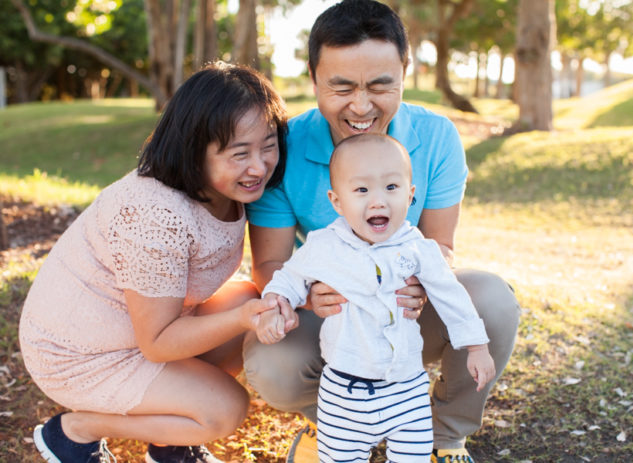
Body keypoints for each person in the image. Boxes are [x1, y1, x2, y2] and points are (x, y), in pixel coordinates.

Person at [243, 1, 520, 462]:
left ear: (405, 73)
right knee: (270, 361)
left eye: (379, 85)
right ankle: (334, 425)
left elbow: (441, 246)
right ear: (313, 79)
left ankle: (444, 436)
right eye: (342, 87)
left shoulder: (437, 137)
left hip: (406, 310)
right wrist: (313, 296)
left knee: (490, 299)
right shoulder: (284, 147)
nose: (361, 105)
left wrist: (419, 287)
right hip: (334, 316)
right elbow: (270, 265)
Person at [18, 61, 297, 463]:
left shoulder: (231, 191)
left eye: (268, 146)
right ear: (195, 149)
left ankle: (168, 445)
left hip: (134, 335)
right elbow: (159, 342)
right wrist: (243, 319)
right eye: (240, 153)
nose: (259, 166)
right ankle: (77, 430)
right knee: (225, 409)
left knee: (245, 298)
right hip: (80, 355)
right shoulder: (155, 214)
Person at [257, 133, 496, 463]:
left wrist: (477, 346)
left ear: (411, 195)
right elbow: (288, 279)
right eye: (361, 190)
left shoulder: (418, 249)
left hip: (406, 388)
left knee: (410, 457)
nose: (378, 201)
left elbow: (451, 296)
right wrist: (275, 306)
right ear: (337, 201)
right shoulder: (324, 246)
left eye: (392, 188)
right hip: (344, 391)